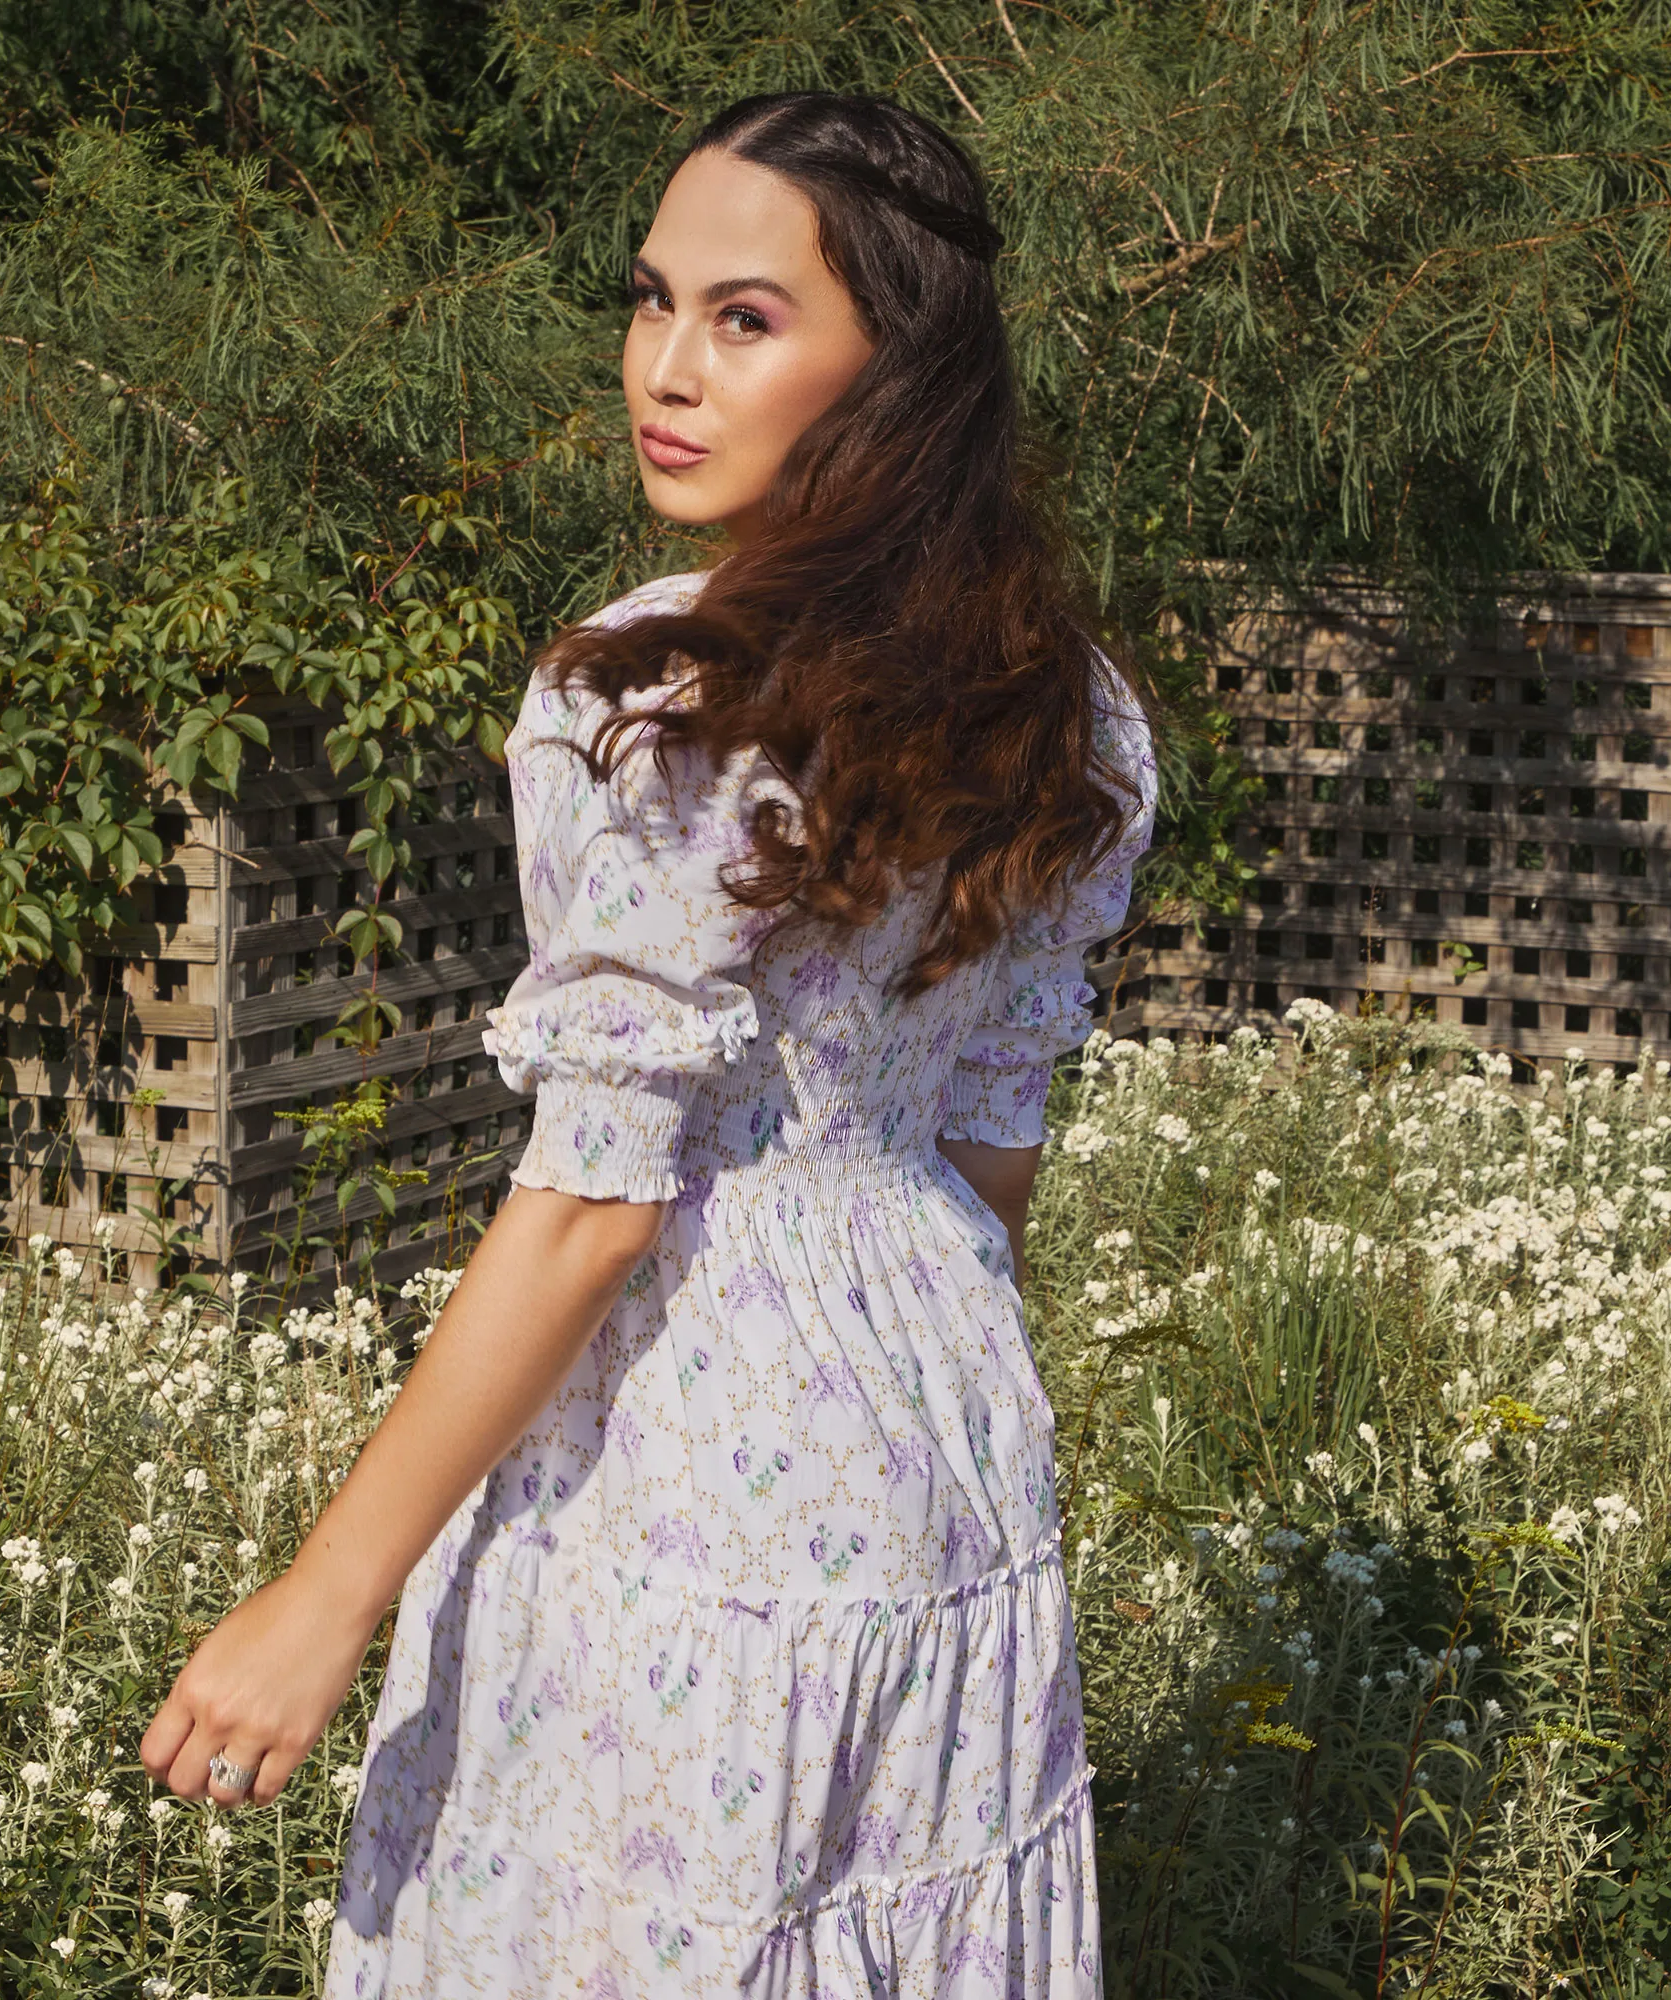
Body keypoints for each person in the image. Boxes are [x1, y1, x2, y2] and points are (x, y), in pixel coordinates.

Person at [141, 89, 1158, 1996]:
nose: (668, 369)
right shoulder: (1073, 706)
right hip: (939, 1428)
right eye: (652, 301)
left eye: (746, 318)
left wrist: (324, 1597)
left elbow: (597, 1206)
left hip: (681, 1459)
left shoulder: (653, 693)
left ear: (896, 368)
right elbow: (989, 1144)